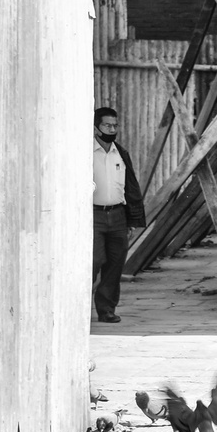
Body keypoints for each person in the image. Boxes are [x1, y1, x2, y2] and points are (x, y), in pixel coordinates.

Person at [92, 107, 146, 323]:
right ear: (96, 127)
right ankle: (79, 310)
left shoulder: (120, 154)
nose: (112, 129)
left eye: (115, 125)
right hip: (93, 216)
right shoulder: (86, 152)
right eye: (107, 125)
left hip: (117, 215)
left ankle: (106, 310)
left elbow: (130, 186)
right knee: (94, 261)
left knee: (115, 264)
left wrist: (132, 220)